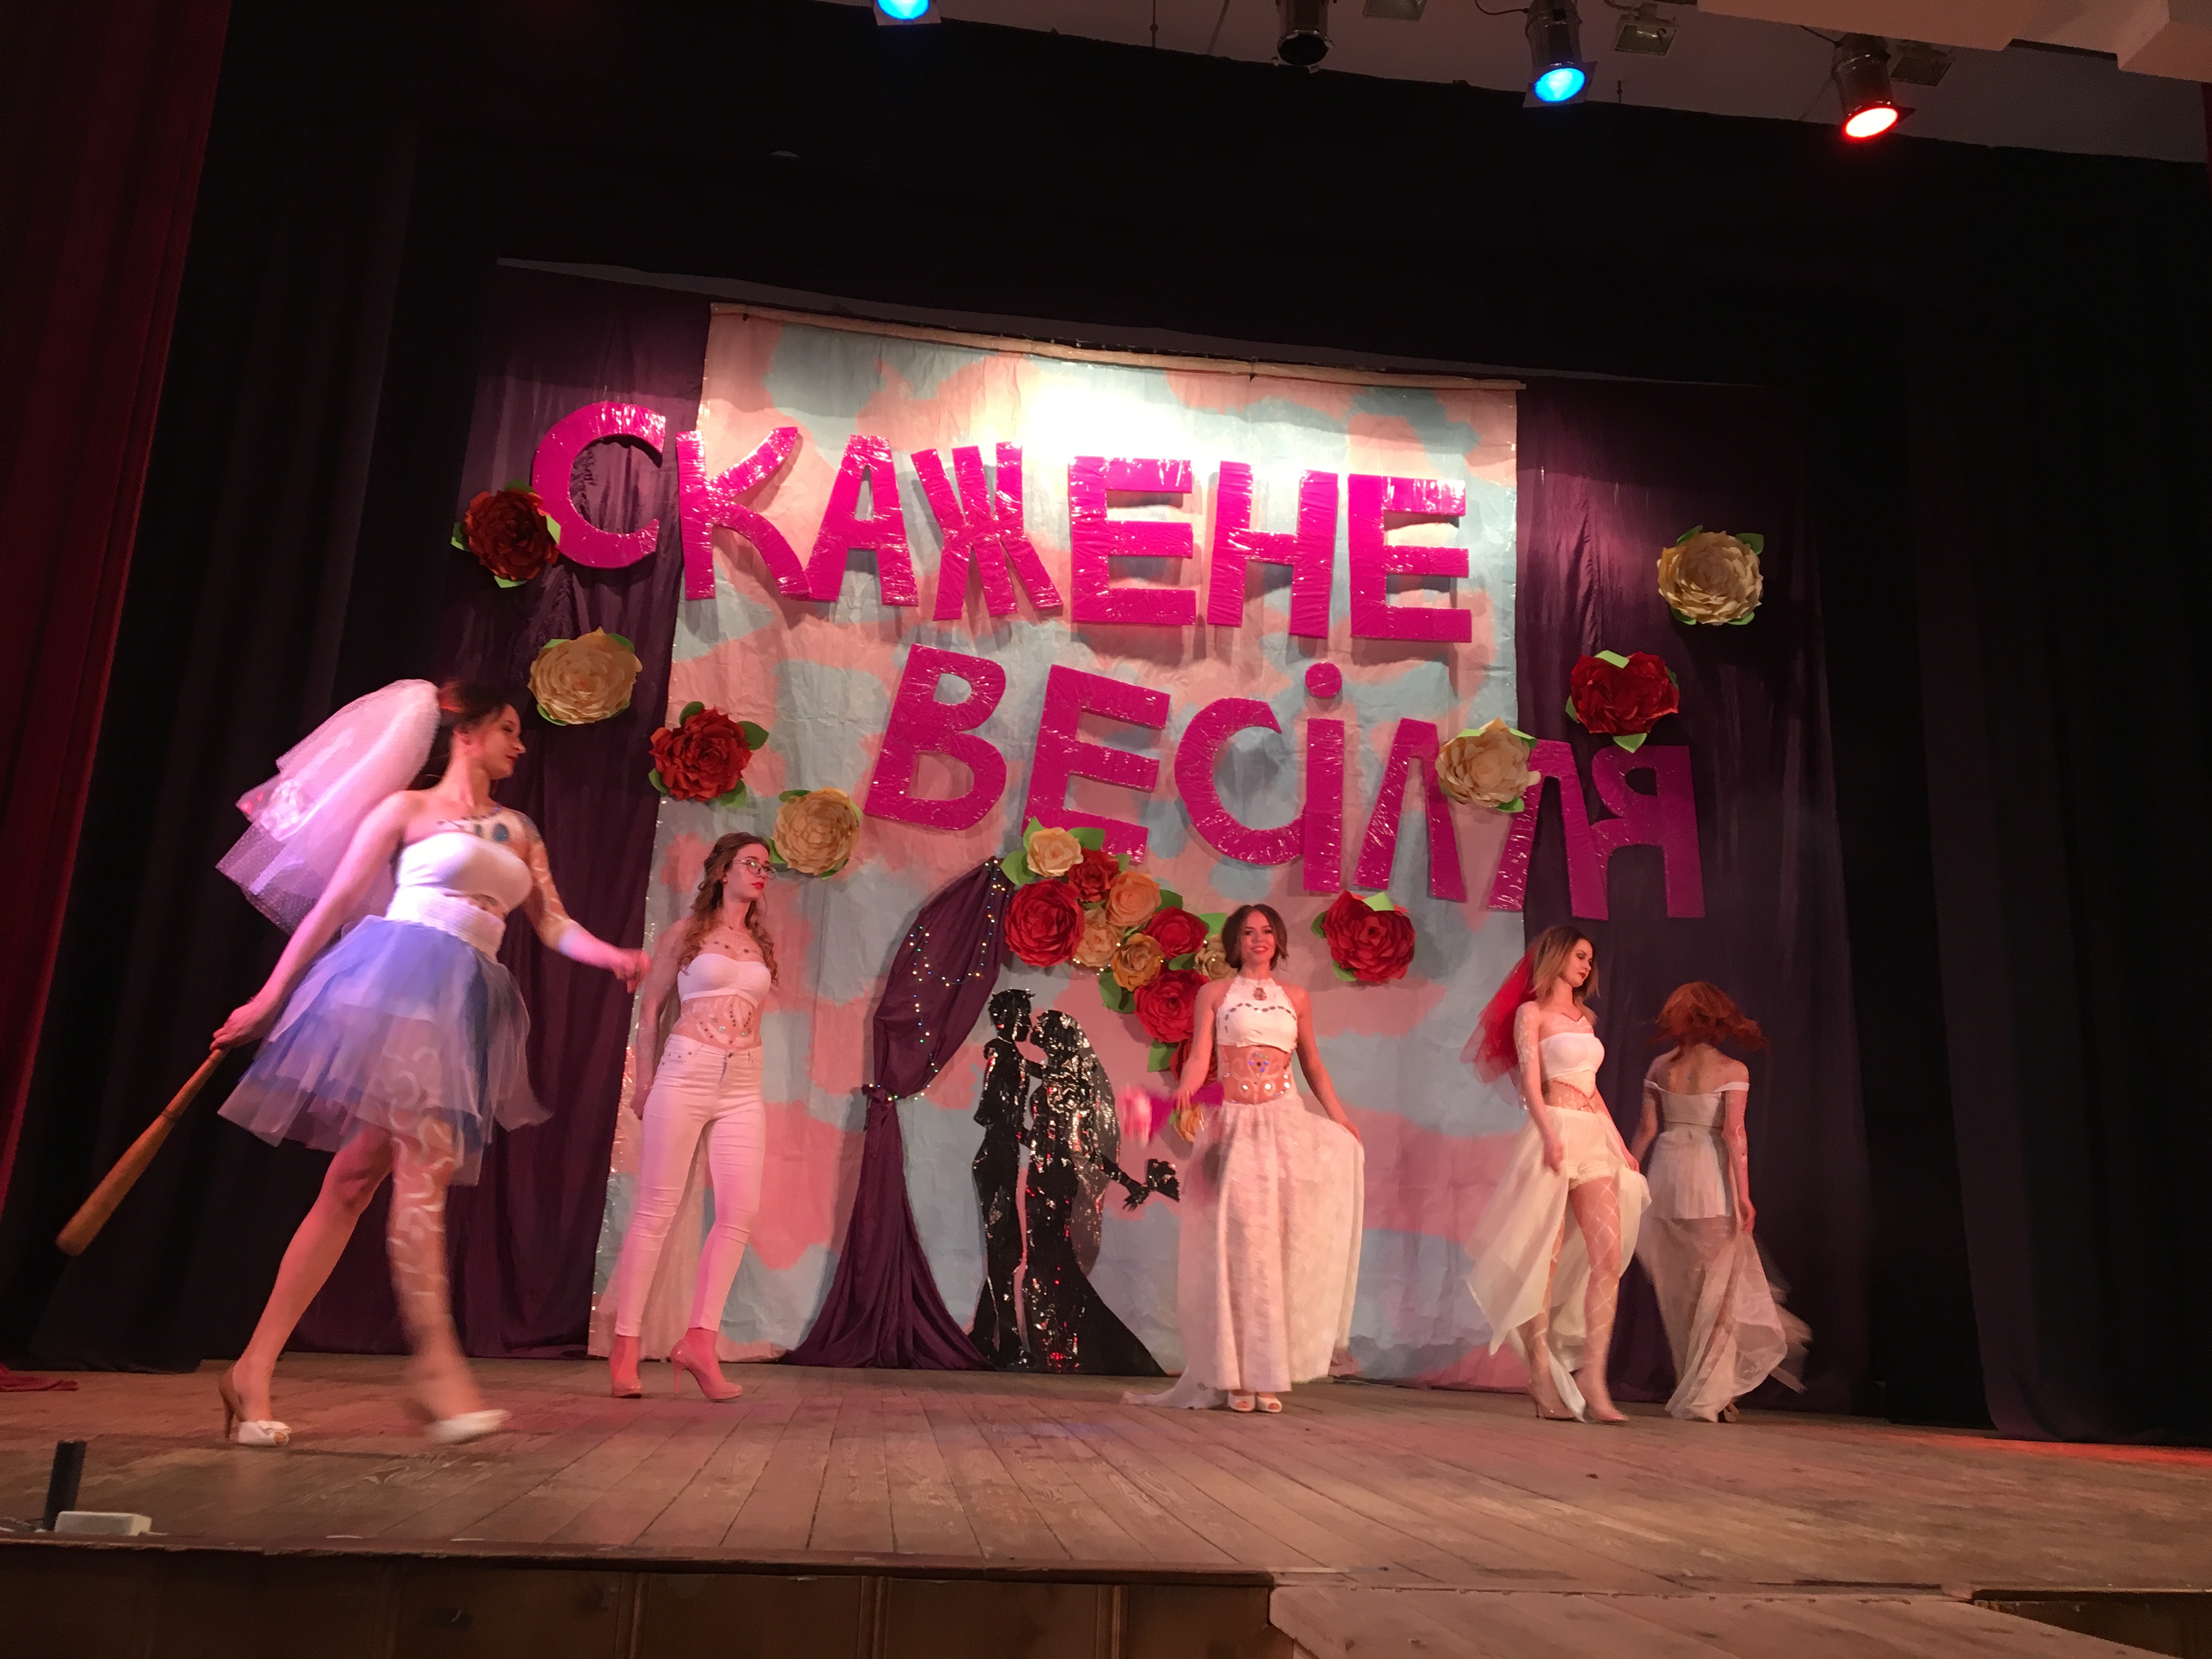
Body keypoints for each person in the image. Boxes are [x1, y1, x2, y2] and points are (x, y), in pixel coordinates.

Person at [212, 680, 650, 1448]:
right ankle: (436, 1368)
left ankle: (250, 1369)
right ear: (466, 734)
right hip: (397, 987)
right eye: (507, 729)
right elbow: (332, 906)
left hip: (464, 1001)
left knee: (352, 1183)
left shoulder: (520, 831)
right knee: (428, 1161)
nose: (520, 743)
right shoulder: (405, 811)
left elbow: (553, 923)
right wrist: (268, 998)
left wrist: (611, 955)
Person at [1135, 904, 1363, 1414]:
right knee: (1238, 1246)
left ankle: (1267, 1377)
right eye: (1248, 932)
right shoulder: (1215, 994)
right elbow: (1200, 1058)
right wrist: (1184, 1095)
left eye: (1266, 931)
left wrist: (1340, 1118)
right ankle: (1235, 1374)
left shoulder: (1296, 997)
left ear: (1278, 939)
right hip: (1234, 1127)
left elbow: (1313, 1063)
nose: (1258, 939)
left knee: (1275, 1248)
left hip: (1283, 1125)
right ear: (1235, 943)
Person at [605, 833, 778, 1402]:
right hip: (686, 1071)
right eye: (751, 863)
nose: (761, 873)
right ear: (724, 871)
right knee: (655, 1209)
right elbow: (651, 1009)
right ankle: (626, 1344)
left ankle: (700, 1341)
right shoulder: (687, 934)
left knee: (738, 1213)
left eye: (767, 867)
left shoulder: (759, 944)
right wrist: (644, 1083)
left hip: (743, 1080)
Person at [1464, 926, 1647, 1424]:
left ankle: (1594, 1376)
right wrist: (1547, 1134)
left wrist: (1620, 1144)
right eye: (1580, 956)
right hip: (1556, 1131)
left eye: (1590, 959)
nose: (1587, 966)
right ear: (1558, 956)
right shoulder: (1533, 1013)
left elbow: (1593, 1088)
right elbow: (1531, 1081)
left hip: (1593, 1135)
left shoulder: (1585, 1019)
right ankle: (1540, 1371)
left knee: (1608, 1255)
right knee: (1540, 1258)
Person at [1627, 982, 1809, 1423]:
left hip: (1666, 1178)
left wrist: (1627, 1175)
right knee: (1717, 1291)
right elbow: (1733, 1136)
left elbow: (1646, 1132)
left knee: (1681, 1293)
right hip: (1707, 1181)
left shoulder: (1660, 1067)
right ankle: (1711, 1391)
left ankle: (1700, 1386)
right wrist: (1743, 1195)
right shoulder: (1732, 1069)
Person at [1019, 1009, 1173, 1374]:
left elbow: (1081, 1149)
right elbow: (1054, 1140)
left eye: (1044, 1030)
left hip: (1055, 1183)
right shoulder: (1060, 1080)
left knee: (1049, 1265)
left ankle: (1060, 1351)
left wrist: (1128, 1182)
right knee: (1046, 1264)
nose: (1036, 1032)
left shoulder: (1070, 1088)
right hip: (1044, 1179)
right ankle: (1053, 1350)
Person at [969, 988, 1040, 1368]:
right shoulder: (1001, 1052)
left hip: (1004, 1156)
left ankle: (983, 1337)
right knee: (1004, 1250)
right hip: (996, 1159)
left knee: (1008, 1252)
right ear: (1005, 1019)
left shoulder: (1013, 1056)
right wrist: (1024, 1134)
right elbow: (990, 1110)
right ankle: (1009, 1345)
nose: (1027, 1022)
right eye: (1022, 1016)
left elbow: (1039, 1073)